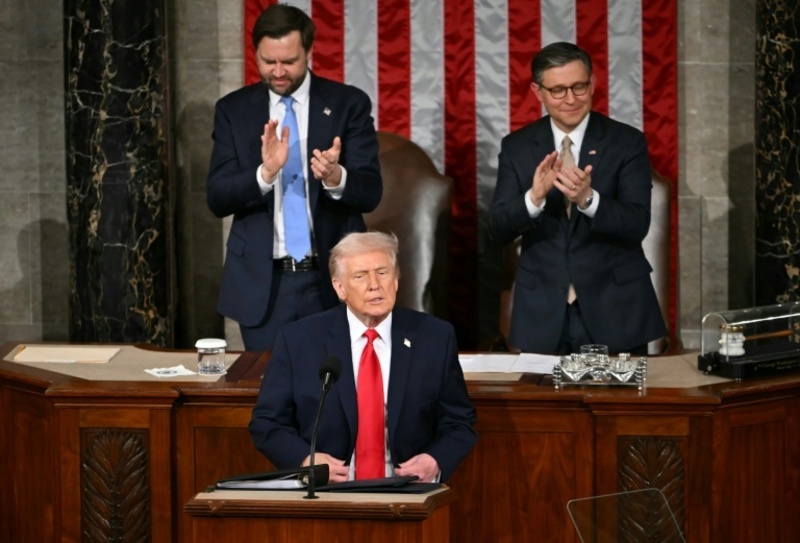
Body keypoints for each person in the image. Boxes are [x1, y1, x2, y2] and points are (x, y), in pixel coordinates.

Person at [206, 4, 382, 351]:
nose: (278, 72)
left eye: (289, 61)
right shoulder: (233, 110)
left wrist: (335, 176)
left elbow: (371, 192)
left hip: (332, 280)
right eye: (268, 61)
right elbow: (217, 197)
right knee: (270, 382)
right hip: (264, 285)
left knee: (336, 380)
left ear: (309, 51)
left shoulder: (347, 104)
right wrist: (265, 174)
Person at [249, 232, 477, 483]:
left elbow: (459, 421)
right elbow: (267, 423)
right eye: (360, 276)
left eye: (382, 272)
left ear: (396, 279)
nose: (374, 284)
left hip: (408, 490)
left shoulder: (434, 338)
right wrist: (305, 461)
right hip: (327, 492)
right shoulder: (299, 341)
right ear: (339, 287)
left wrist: (434, 460)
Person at [488, 42, 666, 355]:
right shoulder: (517, 147)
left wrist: (589, 200)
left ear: (592, 83)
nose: (571, 99)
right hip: (542, 312)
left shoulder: (626, 142)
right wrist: (534, 198)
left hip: (615, 308)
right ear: (538, 92)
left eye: (579, 87)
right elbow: (498, 229)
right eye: (558, 90)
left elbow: (638, 223)